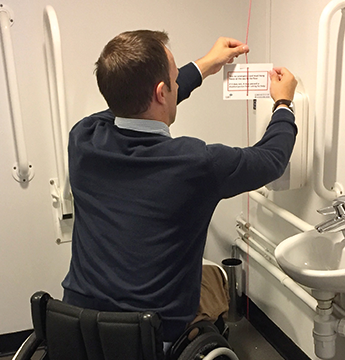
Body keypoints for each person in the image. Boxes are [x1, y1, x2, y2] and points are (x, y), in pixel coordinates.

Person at [61, 30, 298, 343]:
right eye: (174, 80)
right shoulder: (195, 163)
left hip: (77, 328)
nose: (177, 84)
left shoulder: (84, 137)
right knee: (214, 280)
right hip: (153, 335)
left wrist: (205, 65)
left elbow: (131, 97)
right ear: (162, 92)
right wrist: (284, 103)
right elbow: (270, 159)